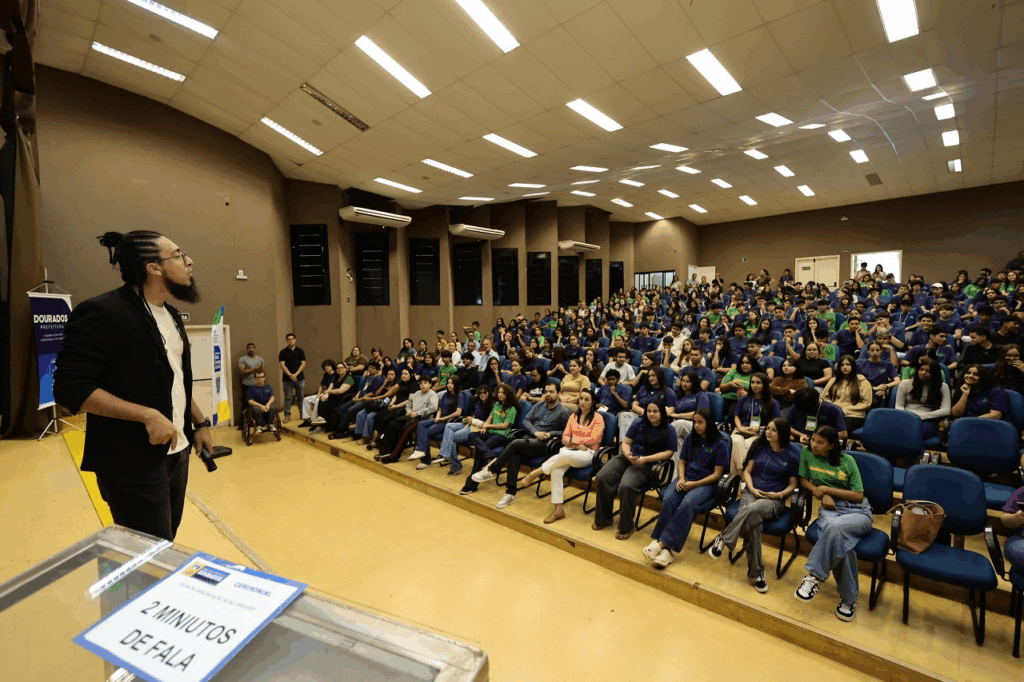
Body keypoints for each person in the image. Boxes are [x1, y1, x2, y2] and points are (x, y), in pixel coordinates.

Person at [53, 230, 213, 542]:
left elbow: (174, 380)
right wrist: (146, 416)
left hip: (176, 452)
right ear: (154, 267)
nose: (189, 261)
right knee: (144, 558)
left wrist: (200, 421)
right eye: (179, 255)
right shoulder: (103, 312)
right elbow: (70, 388)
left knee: (165, 544)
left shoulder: (171, 315)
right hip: (130, 462)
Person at [709, 418, 799, 592]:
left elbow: (793, 484)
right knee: (754, 524)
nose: (768, 432)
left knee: (752, 510)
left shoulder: (792, 456)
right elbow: (747, 472)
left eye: (773, 430)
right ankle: (756, 572)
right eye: (768, 429)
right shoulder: (759, 447)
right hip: (751, 492)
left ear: (782, 434)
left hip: (773, 499)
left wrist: (779, 494)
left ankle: (725, 538)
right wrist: (750, 488)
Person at [793, 426, 873, 623]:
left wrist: (828, 489)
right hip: (830, 510)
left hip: (858, 512)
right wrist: (822, 493)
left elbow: (858, 496)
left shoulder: (848, 461)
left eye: (819, 442)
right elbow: (803, 480)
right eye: (812, 440)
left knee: (834, 530)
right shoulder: (806, 453)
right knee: (843, 547)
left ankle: (814, 576)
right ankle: (849, 600)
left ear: (830, 445)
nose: (813, 444)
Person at [642, 408, 727, 566]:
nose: (696, 425)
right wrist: (680, 478)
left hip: (706, 483)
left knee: (688, 504)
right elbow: (682, 462)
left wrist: (694, 484)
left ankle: (661, 544)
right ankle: (667, 551)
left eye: (700, 422)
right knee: (668, 498)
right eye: (695, 422)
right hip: (686, 477)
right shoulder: (690, 438)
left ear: (709, 423)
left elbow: (717, 474)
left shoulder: (720, 443)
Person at [471, 382, 572, 504]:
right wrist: (535, 432)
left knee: (515, 443)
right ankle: (510, 493)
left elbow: (567, 433)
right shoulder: (539, 405)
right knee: (514, 455)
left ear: (559, 393)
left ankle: (493, 469)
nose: (548, 394)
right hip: (530, 439)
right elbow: (526, 420)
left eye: (551, 392)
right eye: (546, 392)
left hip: (545, 444)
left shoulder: (563, 411)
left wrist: (551, 433)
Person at [594, 401, 678, 541]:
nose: (651, 414)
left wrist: (645, 459)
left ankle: (627, 526)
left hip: (648, 463)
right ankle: (604, 518)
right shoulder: (638, 423)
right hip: (628, 456)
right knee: (602, 476)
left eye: (655, 411)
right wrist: (627, 454)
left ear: (662, 413)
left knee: (626, 486)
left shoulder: (669, 429)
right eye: (649, 411)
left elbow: (669, 453)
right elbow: (626, 443)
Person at [519, 390, 606, 524]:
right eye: (581, 398)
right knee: (556, 470)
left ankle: (536, 472)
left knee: (563, 454)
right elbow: (565, 437)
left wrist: (574, 441)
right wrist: (577, 443)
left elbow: (593, 440)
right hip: (570, 451)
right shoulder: (573, 416)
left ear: (593, 402)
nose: (582, 402)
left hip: (588, 454)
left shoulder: (598, 418)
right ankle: (558, 510)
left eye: (586, 399)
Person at [463, 384, 521, 499]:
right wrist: (485, 426)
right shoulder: (497, 405)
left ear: (508, 395)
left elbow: (505, 426)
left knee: (480, 452)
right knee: (472, 435)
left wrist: (488, 425)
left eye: (502, 393)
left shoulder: (512, 409)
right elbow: (489, 418)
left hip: (502, 435)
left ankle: (471, 484)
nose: (499, 395)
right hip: (490, 432)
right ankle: (489, 456)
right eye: (498, 392)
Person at [377, 375, 439, 462]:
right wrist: (408, 411)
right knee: (392, 424)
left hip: (422, 418)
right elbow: (409, 404)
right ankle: (386, 450)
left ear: (430, 384)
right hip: (410, 415)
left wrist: (416, 413)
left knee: (405, 429)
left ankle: (394, 456)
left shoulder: (433, 395)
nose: (423, 385)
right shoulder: (417, 393)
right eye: (421, 383)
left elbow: (433, 408)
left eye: (425, 383)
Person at [436, 384, 495, 475]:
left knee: (452, 437)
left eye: (484, 393)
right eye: (480, 393)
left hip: (478, 428)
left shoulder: (492, 406)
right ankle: (445, 453)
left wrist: (473, 420)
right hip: (469, 424)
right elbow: (473, 415)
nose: (482, 395)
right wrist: (468, 419)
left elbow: (487, 424)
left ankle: (455, 465)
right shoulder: (478, 403)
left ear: (489, 394)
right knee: (449, 426)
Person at [729, 372, 781, 473]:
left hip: (760, 432)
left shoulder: (772, 402)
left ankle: (737, 476)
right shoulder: (744, 399)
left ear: (764, 385)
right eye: (752, 382)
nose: (754, 385)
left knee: (748, 445)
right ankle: (743, 473)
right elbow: (737, 416)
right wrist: (740, 427)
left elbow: (777, 422)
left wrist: (760, 428)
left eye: (758, 383)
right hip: (741, 429)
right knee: (736, 442)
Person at [410, 376, 463, 469]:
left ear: (456, 384)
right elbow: (440, 409)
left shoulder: (460, 396)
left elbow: (458, 413)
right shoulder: (446, 394)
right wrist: (438, 417)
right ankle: (420, 450)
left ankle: (425, 460)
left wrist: (442, 419)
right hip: (440, 419)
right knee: (421, 424)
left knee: (425, 432)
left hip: (448, 421)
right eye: (448, 383)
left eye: (452, 383)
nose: (449, 385)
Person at [894, 357, 951, 440]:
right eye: (921, 369)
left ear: (934, 373)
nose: (923, 373)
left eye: (927, 371)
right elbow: (898, 406)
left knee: (913, 434)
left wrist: (921, 416)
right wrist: (908, 417)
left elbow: (946, 410)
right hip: (905, 417)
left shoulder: (943, 387)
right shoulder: (905, 383)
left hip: (928, 419)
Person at [329, 362, 383, 438]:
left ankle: (340, 429)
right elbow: (361, 389)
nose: (370, 369)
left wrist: (360, 399)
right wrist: (356, 396)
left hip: (367, 400)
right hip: (359, 398)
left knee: (350, 410)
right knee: (342, 408)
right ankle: (344, 428)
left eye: (372, 368)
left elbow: (373, 393)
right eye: (369, 367)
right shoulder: (368, 378)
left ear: (377, 370)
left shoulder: (378, 379)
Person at [822, 355, 873, 432]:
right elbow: (824, 398)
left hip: (853, 415)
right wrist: (834, 408)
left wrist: (844, 410)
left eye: (848, 364)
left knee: (835, 431)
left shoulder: (863, 382)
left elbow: (866, 403)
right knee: (819, 427)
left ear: (853, 366)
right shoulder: (833, 380)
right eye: (842, 365)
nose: (845, 367)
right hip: (833, 413)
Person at [278, 333, 307, 422]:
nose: (290, 340)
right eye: (289, 339)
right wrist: (290, 375)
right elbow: (282, 365)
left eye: (292, 339)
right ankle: (287, 415)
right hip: (287, 379)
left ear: (295, 340)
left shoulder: (300, 351)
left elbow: (303, 363)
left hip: (300, 378)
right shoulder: (283, 352)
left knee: (300, 396)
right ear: (287, 341)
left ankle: (302, 413)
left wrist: (296, 374)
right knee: (288, 397)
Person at [299, 359, 335, 428]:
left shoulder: (335, 375)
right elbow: (321, 385)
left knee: (318, 401)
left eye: (328, 366)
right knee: (306, 399)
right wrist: (318, 393)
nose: (326, 367)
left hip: (330, 394)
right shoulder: (326, 374)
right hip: (324, 393)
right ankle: (307, 420)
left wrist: (324, 394)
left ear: (332, 366)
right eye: (325, 366)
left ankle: (316, 421)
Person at [237, 342, 264, 425]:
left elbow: (262, 372)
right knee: (245, 404)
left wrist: (262, 382)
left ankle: (258, 423)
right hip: (247, 385)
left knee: (259, 404)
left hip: (257, 385)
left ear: (255, 348)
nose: (251, 349)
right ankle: (242, 424)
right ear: (247, 349)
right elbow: (242, 372)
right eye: (249, 348)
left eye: (252, 347)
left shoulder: (260, 359)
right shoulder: (243, 359)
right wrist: (254, 369)